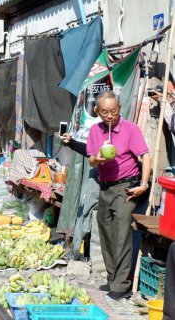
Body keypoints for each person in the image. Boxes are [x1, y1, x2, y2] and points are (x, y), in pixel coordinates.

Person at [86, 90, 151, 300]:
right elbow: (91, 160)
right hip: (105, 187)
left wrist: (143, 183)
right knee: (106, 233)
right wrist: (97, 161)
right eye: (105, 112)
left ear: (119, 109)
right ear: (97, 111)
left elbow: (145, 156)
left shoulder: (130, 129)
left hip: (126, 188)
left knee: (122, 235)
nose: (110, 116)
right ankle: (112, 278)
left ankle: (121, 285)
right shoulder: (95, 131)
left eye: (113, 111)